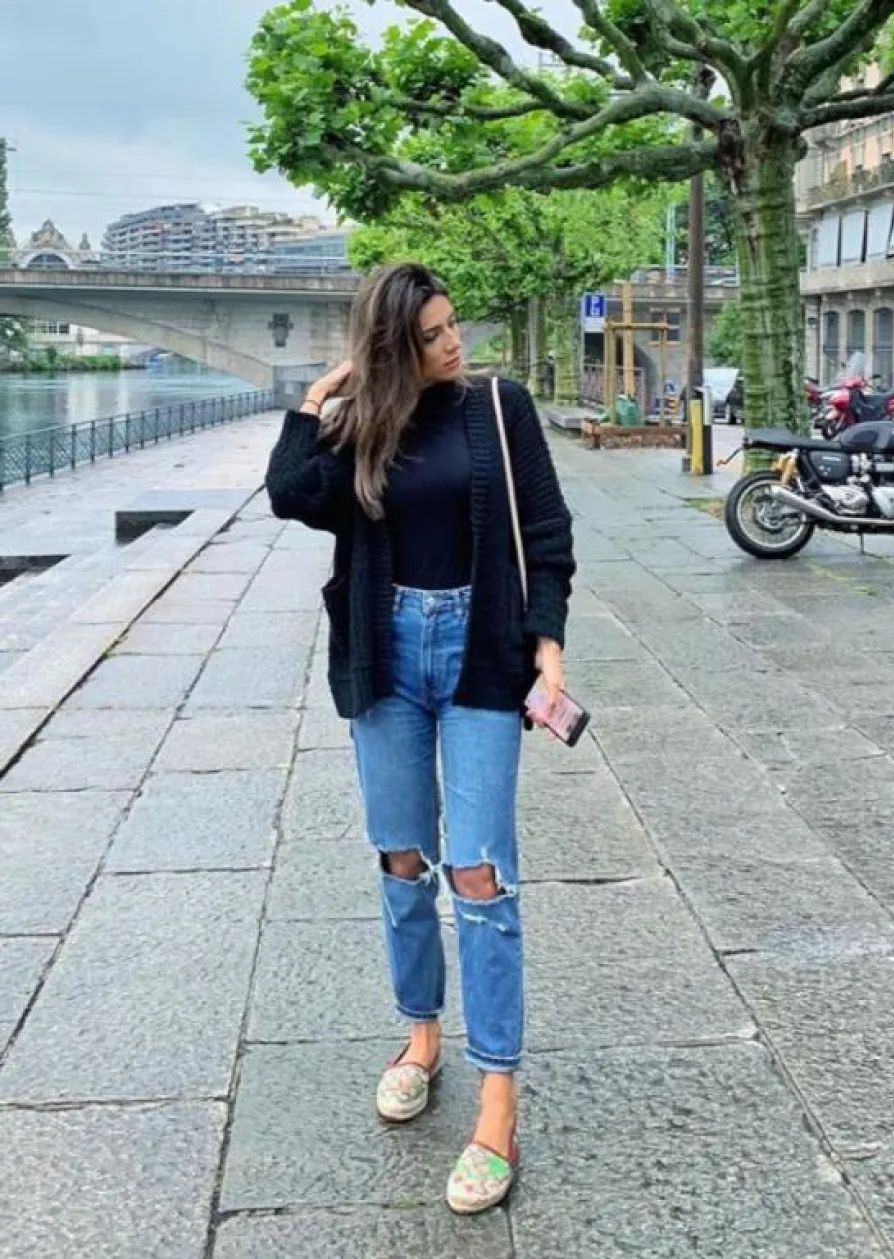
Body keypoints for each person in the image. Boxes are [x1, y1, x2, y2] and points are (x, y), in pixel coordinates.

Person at [264, 262, 575, 1214]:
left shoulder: (499, 408)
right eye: (431, 336)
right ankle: (421, 1035)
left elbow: (547, 531)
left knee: (479, 873)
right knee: (403, 859)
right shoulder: (362, 423)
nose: (452, 343)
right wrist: (320, 396)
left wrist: (548, 648)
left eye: (451, 325)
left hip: (481, 651)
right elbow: (289, 492)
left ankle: (497, 1102)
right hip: (387, 651)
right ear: (391, 348)